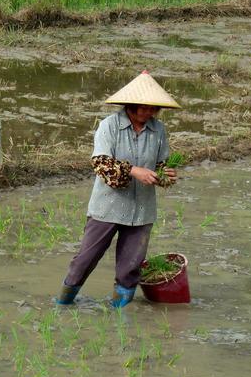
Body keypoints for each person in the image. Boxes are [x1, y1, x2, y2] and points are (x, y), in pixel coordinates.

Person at [57, 71, 181, 308]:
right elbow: (100, 163)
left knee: (130, 266)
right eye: (143, 108)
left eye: (152, 109)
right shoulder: (109, 126)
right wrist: (134, 171)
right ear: (130, 105)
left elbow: (160, 166)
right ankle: (62, 303)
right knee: (85, 259)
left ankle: (119, 312)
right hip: (108, 206)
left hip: (142, 210)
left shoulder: (158, 130)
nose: (148, 113)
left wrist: (166, 176)